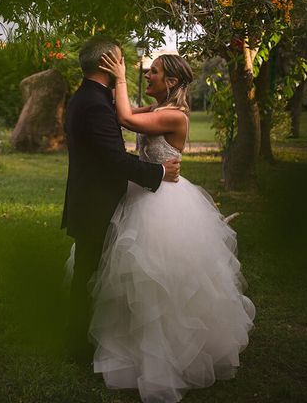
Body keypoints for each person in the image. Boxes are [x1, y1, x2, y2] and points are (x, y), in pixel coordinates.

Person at [89, 51, 256, 402]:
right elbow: (125, 117)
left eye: (155, 72)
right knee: (133, 282)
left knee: (160, 285)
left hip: (164, 205)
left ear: (172, 82)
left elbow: (125, 118)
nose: (148, 75)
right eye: (146, 71)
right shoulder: (157, 110)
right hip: (143, 193)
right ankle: (134, 356)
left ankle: (166, 362)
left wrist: (120, 76)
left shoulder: (175, 117)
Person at [61, 36, 181, 364]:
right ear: (108, 64)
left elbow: (127, 117)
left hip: (93, 200)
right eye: (120, 61)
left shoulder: (89, 98)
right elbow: (116, 160)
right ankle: (78, 347)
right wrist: (158, 174)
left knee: (96, 274)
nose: (125, 67)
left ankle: (88, 338)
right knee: (89, 277)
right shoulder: (95, 104)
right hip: (96, 204)